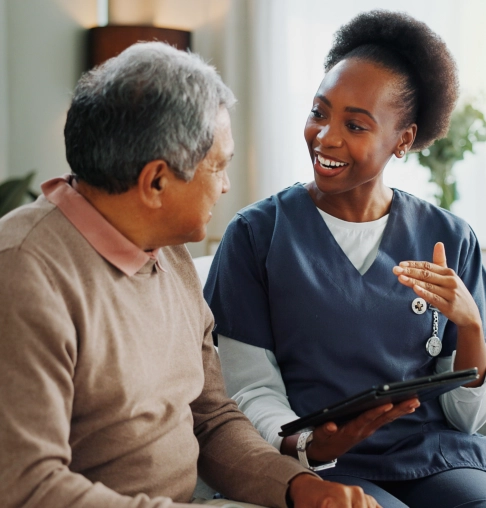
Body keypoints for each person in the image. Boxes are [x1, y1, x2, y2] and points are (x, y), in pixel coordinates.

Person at [0, 41, 388, 508]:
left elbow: (211, 418)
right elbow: (28, 487)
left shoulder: (168, 250)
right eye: (219, 166)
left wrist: (298, 488)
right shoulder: (24, 271)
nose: (226, 185)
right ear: (157, 182)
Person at [204, 10, 486, 508]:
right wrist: (306, 444)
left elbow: (466, 416)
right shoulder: (256, 236)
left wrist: (474, 328)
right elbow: (247, 391)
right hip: (323, 463)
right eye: (319, 112)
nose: (326, 137)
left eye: (354, 124)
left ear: (403, 139)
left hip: (438, 456)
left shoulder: (450, 237)